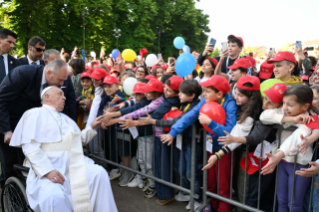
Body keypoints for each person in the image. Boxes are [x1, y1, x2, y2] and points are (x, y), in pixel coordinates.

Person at [10, 86, 118, 212]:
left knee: (99, 174)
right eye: (60, 94)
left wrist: (92, 126)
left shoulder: (66, 119)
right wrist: (47, 171)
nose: (64, 97)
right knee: (54, 196)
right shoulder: (33, 114)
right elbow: (30, 147)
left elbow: (78, 141)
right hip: (48, 166)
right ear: (47, 97)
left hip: (73, 164)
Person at [161, 75, 237, 211]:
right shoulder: (205, 101)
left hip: (224, 150)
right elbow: (188, 117)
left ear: (219, 94)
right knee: (211, 183)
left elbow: (229, 132)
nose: (204, 93)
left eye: (207, 91)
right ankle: (213, 207)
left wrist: (211, 123)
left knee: (223, 185)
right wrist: (173, 132)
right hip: (211, 148)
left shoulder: (230, 104)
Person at [0, 59, 74, 183]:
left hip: (31, 129)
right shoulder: (22, 74)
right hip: (9, 125)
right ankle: (12, 198)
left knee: (31, 164)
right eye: (60, 80)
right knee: (11, 165)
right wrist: (6, 130)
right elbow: (1, 100)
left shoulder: (52, 85)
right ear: (49, 73)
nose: (62, 84)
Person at [202, 76, 262, 211]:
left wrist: (219, 153)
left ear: (251, 96)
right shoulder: (239, 106)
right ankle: (215, 207)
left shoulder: (251, 112)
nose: (236, 97)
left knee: (234, 187)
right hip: (229, 149)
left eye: (240, 95)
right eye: (235, 93)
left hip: (247, 153)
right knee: (214, 183)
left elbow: (234, 134)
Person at [260, 85, 318, 211]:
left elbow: (296, 138)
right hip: (283, 162)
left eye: (290, 104)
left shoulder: (310, 119)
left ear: (305, 107)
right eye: (283, 103)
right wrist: (291, 118)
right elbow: (264, 116)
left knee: (294, 204)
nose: (285, 107)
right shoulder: (285, 112)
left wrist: (278, 155)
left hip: (300, 164)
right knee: (282, 201)